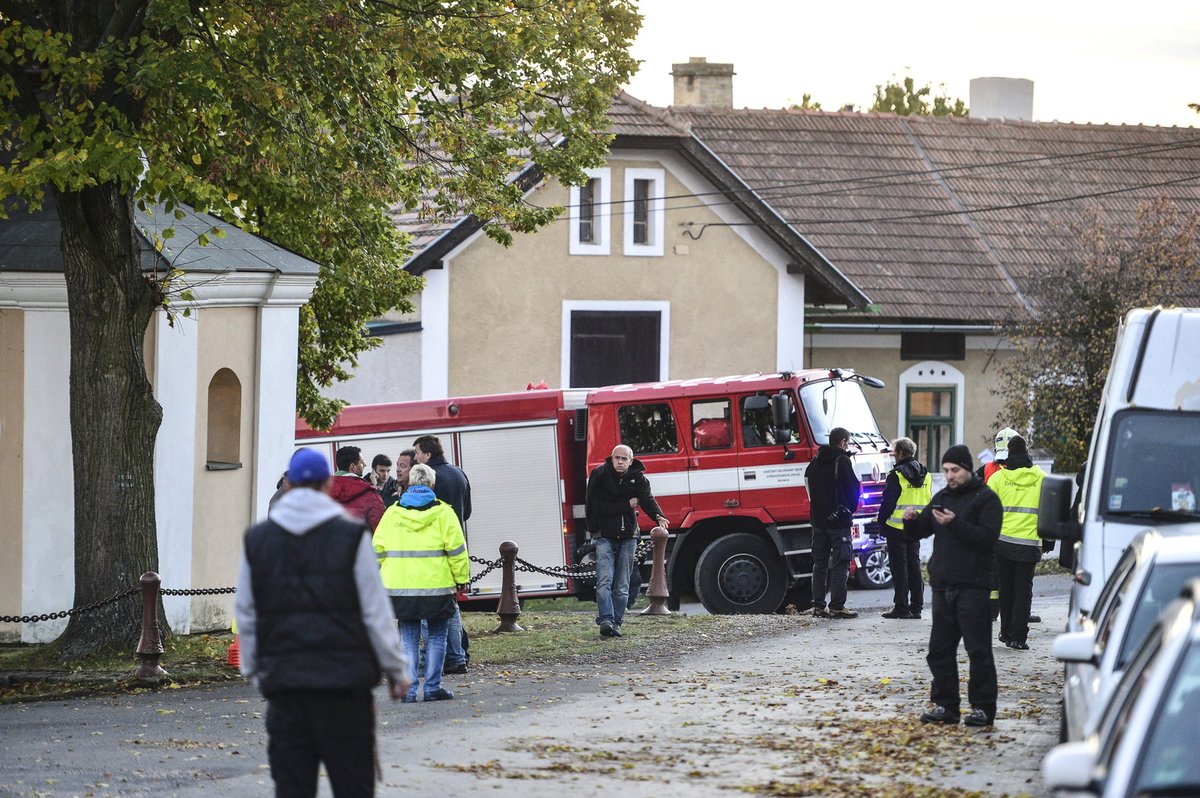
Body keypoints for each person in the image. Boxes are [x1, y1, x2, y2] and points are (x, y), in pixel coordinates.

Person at [234, 448, 410, 797]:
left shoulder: (258, 541)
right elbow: (374, 610)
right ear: (328, 484)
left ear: (289, 484)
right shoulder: (350, 537)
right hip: (344, 687)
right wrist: (396, 669)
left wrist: (253, 668)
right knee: (352, 785)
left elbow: (248, 613)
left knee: (293, 787)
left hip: (285, 685)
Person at [903, 444, 1002, 728]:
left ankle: (983, 708)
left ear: (968, 469)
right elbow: (922, 530)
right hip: (943, 585)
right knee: (939, 651)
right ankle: (946, 705)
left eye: (955, 470)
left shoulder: (986, 499)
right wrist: (910, 523)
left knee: (978, 650)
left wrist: (956, 523)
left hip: (974, 585)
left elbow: (987, 538)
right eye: (946, 470)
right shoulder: (942, 497)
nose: (949, 475)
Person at [373, 463, 470, 703]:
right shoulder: (444, 513)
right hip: (437, 587)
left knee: (407, 637)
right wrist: (461, 579)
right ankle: (433, 688)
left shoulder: (393, 513)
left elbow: (377, 550)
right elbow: (457, 551)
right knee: (437, 636)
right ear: (433, 484)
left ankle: (408, 689)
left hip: (400, 588)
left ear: (410, 484)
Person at [585, 444, 669, 638]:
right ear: (611, 458)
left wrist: (659, 516)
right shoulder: (599, 475)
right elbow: (595, 506)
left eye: (624, 459)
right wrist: (626, 504)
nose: (620, 462)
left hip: (629, 537)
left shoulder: (638, 478)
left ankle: (617, 622)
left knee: (622, 585)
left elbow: (647, 498)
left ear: (631, 461)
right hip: (604, 536)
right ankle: (606, 620)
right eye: (617, 458)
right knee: (604, 581)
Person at [412, 435, 471, 673]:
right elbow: (467, 512)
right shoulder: (459, 474)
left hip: (430, 552)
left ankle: (433, 659)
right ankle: (457, 655)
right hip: (455, 545)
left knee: (428, 610)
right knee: (451, 606)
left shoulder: (425, 479)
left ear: (426, 454)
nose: (415, 456)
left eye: (416, 452)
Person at [987, 435, 1047, 650]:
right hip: (1029, 544)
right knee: (1023, 590)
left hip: (1002, 543)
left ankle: (1006, 631)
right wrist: (1047, 540)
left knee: (1006, 589)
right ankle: (1019, 638)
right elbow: (1048, 512)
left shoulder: (997, 479)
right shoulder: (1042, 478)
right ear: (1027, 451)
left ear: (1009, 453)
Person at [804, 426, 860, 619]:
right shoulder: (842, 461)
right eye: (848, 442)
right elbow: (853, 489)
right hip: (839, 523)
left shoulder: (815, 462)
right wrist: (848, 510)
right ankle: (837, 606)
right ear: (843, 442)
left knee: (819, 563)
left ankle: (818, 605)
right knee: (841, 562)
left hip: (818, 522)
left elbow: (808, 488)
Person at [877, 436, 931, 620]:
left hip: (896, 527)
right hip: (915, 526)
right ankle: (917, 607)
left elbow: (888, 503)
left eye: (894, 453)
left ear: (900, 453)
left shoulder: (897, 475)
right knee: (914, 566)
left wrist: (881, 521)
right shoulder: (927, 475)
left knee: (900, 568)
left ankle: (901, 607)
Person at [331, 445, 386, 532]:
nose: (364, 465)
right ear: (353, 467)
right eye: (361, 462)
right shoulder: (370, 494)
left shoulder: (321, 492)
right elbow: (381, 527)